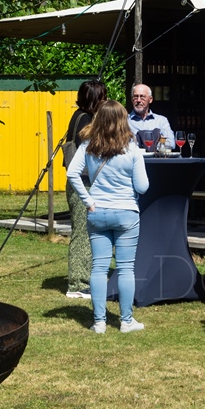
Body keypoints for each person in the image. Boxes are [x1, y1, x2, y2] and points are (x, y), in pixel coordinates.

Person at [67, 100, 149, 333]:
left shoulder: (88, 146)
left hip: (98, 212)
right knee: (125, 268)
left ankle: (99, 322)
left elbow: (72, 173)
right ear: (123, 120)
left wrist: (88, 201)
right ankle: (126, 321)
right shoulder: (132, 149)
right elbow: (142, 187)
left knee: (98, 268)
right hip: (126, 213)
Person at [65, 80, 107, 299]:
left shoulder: (80, 116)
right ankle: (78, 284)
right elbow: (92, 149)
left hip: (82, 182)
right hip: (81, 182)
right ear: (94, 99)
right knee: (82, 233)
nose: (105, 100)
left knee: (87, 231)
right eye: (103, 97)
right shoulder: (84, 119)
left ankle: (87, 279)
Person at [127, 84, 175, 150]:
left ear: (150, 99)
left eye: (142, 97)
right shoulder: (125, 121)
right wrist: (158, 140)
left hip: (155, 157)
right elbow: (122, 145)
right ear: (131, 99)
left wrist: (151, 147)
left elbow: (171, 144)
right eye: (135, 97)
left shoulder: (161, 121)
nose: (138, 100)